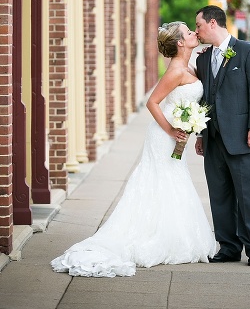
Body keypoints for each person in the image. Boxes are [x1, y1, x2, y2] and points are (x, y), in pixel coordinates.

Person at [51, 22, 216, 277]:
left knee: (171, 182)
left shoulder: (189, 65)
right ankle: (159, 238)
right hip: (163, 136)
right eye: (189, 31)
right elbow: (153, 102)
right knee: (161, 182)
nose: (195, 33)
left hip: (175, 134)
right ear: (180, 42)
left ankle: (172, 233)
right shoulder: (175, 71)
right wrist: (172, 130)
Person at [194, 5, 250, 267]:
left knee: (248, 196)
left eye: (199, 26)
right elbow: (205, 97)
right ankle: (228, 246)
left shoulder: (247, 51)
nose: (197, 31)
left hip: (244, 138)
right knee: (220, 195)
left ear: (213, 23)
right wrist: (201, 135)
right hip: (214, 140)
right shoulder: (203, 58)